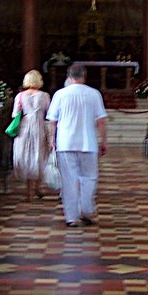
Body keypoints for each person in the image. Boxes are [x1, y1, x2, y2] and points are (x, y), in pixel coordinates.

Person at [46, 63, 108, 227]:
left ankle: (71, 217)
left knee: (68, 180)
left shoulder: (60, 94)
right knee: (89, 177)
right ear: (84, 76)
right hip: (88, 142)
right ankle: (86, 210)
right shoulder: (94, 94)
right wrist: (104, 141)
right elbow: (101, 121)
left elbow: (52, 122)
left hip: (65, 142)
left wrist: (52, 140)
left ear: (69, 76)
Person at [11, 69, 51, 201]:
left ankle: (28, 191)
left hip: (24, 126)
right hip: (39, 126)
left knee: (26, 155)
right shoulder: (45, 96)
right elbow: (49, 113)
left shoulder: (20, 96)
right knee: (39, 155)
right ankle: (38, 186)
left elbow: (15, 114)